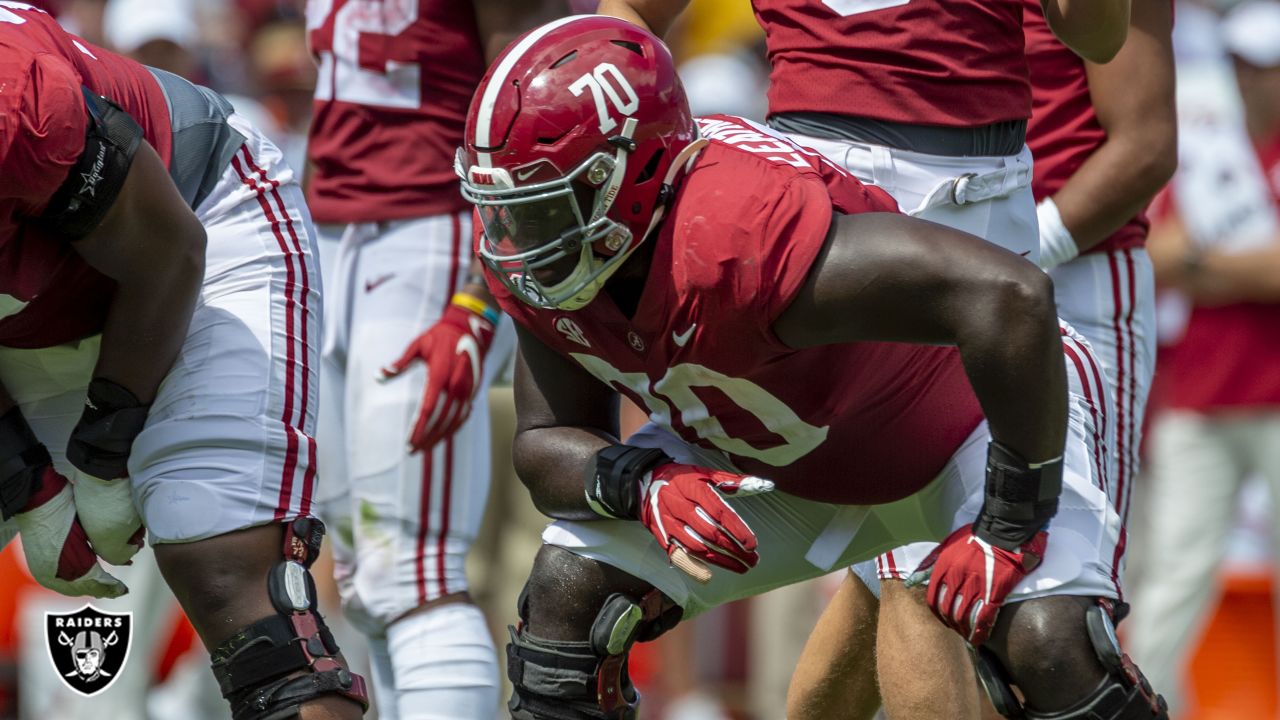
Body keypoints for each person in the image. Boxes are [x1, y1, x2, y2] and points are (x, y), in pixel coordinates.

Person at [458, 15, 1165, 720]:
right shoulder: (550, 266)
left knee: (1053, 650)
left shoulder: (740, 232)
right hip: (787, 452)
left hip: (957, 425)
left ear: (635, 170)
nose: (520, 240)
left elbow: (1011, 296)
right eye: (508, 207)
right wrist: (638, 482)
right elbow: (545, 441)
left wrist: (1010, 521)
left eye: (546, 205)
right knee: (568, 594)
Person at [787, 0, 1178, 716]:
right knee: (910, 573)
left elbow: (1145, 144)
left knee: (1041, 610)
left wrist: (1008, 272)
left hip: (1069, 271)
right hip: (925, 259)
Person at [0, 3, 367, 719]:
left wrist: (106, 454)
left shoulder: (16, 96)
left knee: (227, 573)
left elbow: (168, 256)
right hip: (31, 305)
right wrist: (24, 481)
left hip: (197, 226)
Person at [304, 1, 569, 717]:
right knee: (365, 577)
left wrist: (481, 297)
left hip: (433, 235)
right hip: (331, 238)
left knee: (413, 570)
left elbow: (533, 95)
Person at [1127, 0, 1280, 709]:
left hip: (1264, 397)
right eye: (1247, 65)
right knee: (1171, 578)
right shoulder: (1202, 141)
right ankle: (1149, 707)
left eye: (1269, 67)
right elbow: (1150, 250)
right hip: (1201, 394)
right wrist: (1237, 267)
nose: (1258, 80)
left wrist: (1201, 262)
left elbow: (1178, 254)